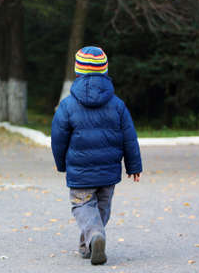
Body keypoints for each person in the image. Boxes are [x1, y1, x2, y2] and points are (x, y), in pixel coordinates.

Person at [51, 46, 142, 265]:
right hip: (108, 173)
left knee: (83, 207)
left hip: (80, 171)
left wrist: (61, 163)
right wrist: (134, 166)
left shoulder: (68, 105)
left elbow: (58, 138)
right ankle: (88, 245)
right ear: (105, 71)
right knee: (101, 211)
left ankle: (93, 237)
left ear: (77, 71)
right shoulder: (118, 105)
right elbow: (129, 137)